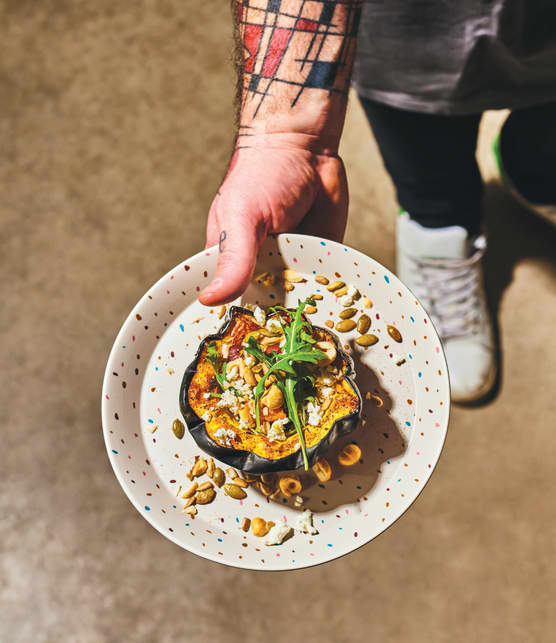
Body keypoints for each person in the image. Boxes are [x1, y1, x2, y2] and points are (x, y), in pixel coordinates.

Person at [199, 0, 556, 402]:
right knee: (432, 168)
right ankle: (438, 229)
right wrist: (284, 134)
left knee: (542, 157)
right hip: (412, 37)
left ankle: (527, 171)